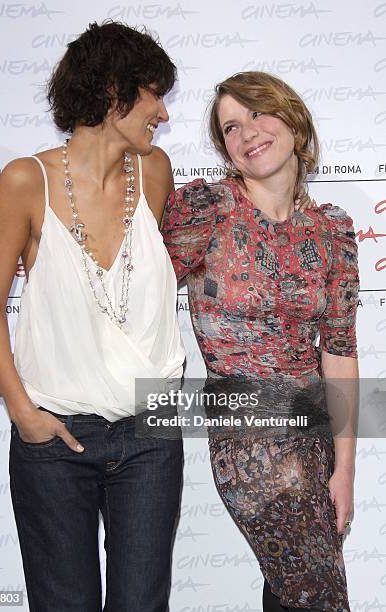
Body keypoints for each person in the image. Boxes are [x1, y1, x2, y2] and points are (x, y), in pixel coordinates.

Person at [0, 21, 185, 612]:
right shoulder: (25, 181)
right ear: (114, 93)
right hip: (56, 439)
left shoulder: (155, 173)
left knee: (142, 603)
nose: (164, 113)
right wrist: (24, 414)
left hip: (150, 433)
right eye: (154, 93)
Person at [162, 71, 359, 611]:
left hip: (314, 439)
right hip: (250, 442)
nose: (247, 132)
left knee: (289, 592)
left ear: (292, 119)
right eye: (231, 126)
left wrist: (344, 470)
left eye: (257, 113)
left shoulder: (333, 230)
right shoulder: (207, 211)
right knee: (319, 598)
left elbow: (339, 352)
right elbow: (137, 292)